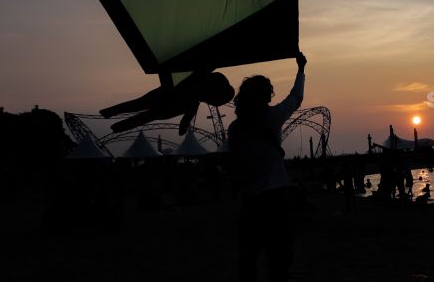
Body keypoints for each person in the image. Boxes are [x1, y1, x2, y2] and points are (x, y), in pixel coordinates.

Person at [228, 52, 307, 282]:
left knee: (249, 257)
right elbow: (296, 97)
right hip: (276, 198)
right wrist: (301, 69)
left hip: (250, 200)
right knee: (279, 257)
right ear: (266, 97)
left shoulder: (235, 129)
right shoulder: (273, 117)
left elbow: (235, 163)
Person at [100, 70, 234, 135]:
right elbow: (184, 124)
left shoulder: (192, 84)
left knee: (139, 105)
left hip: (162, 94)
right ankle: (117, 124)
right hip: (164, 107)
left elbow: (185, 122)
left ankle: (111, 113)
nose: (211, 104)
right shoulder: (193, 102)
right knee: (143, 115)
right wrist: (183, 129)